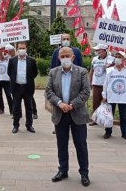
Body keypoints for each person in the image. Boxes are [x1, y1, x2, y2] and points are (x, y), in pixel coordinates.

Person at [45, 47, 91, 187]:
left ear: (73, 57)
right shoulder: (53, 72)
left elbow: (85, 91)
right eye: (62, 56)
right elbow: (49, 91)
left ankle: (84, 173)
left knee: (81, 145)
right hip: (60, 113)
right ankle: (63, 170)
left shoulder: (82, 72)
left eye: (67, 55)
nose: (65, 58)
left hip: (77, 113)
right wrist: (59, 103)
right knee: (62, 144)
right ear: (59, 58)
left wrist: (71, 104)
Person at [102, 51, 126, 141]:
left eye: (119, 57)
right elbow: (106, 84)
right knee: (109, 116)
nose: (117, 58)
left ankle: (125, 133)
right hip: (111, 96)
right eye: (116, 56)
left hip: (123, 97)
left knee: (123, 116)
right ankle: (108, 132)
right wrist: (104, 95)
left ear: (123, 59)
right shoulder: (110, 70)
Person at [7, 42, 38, 134]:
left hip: (27, 88)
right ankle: (15, 125)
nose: (21, 50)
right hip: (16, 87)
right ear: (17, 49)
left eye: (23, 48)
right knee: (16, 107)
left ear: (26, 49)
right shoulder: (12, 60)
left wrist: (27, 80)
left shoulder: (31, 60)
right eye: (20, 48)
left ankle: (29, 125)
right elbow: (10, 73)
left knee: (29, 107)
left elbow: (34, 73)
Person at [89, 44, 115, 126]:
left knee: (106, 103)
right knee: (95, 103)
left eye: (98, 50)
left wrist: (109, 67)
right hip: (96, 83)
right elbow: (91, 71)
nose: (97, 52)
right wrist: (90, 82)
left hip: (106, 85)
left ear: (104, 50)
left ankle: (107, 120)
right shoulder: (94, 59)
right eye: (96, 50)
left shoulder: (111, 59)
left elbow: (115, 70)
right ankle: (95, 119)